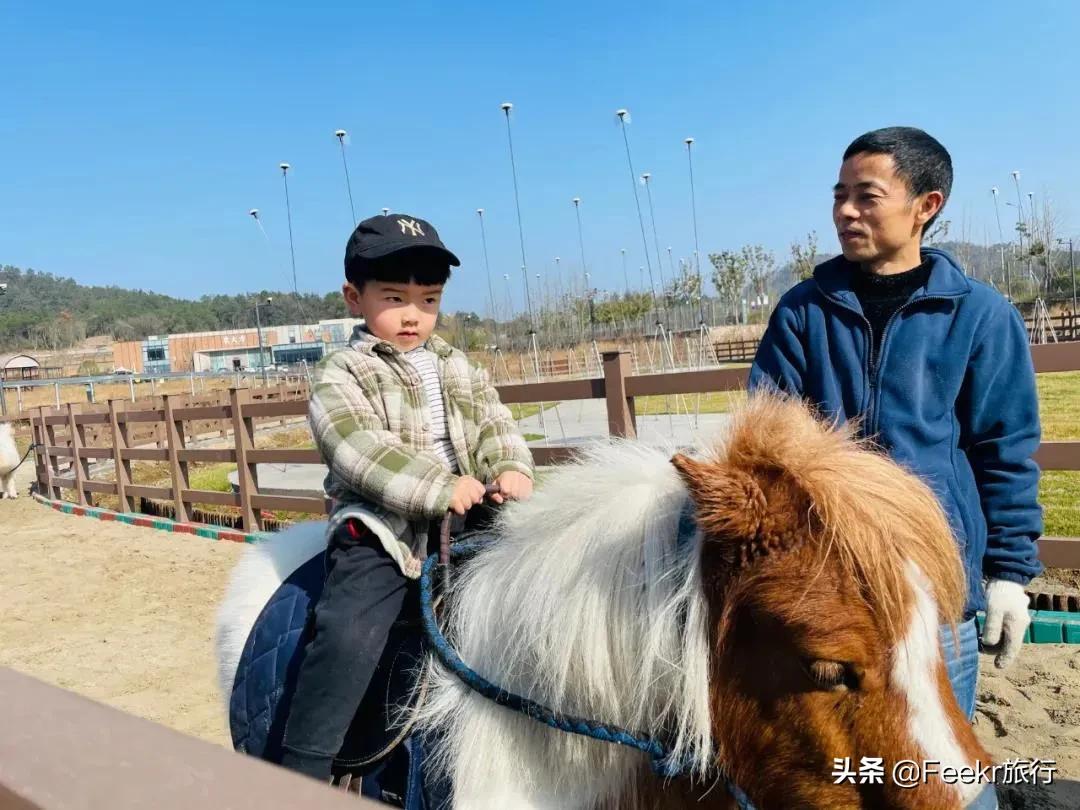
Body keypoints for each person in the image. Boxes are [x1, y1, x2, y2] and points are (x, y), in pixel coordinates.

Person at [750, 127, 1042, 719]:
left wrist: (1009, 572)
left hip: (935, 593)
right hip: (829, 588)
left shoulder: (980, 316)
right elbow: (765, 440)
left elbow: (1004, 449)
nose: (845, 212)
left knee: (944, 775)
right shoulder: (804, 312)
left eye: (867, 196)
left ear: (926, 207)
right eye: (838, 195)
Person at [280, 213, 535, 780]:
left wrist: (510, 467)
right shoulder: (341, 373)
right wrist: (439, 487)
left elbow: (495, 423)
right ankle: (303, 767)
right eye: (395, 298)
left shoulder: (458, 367)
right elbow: (356, 448)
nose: (413, 315)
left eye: (428, 300)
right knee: (350, 629)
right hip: (383, 529)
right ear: (355, 297)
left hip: (468, 517)